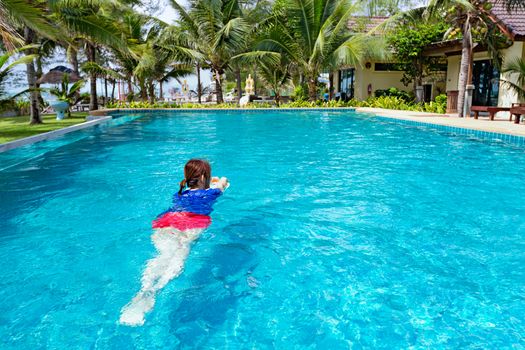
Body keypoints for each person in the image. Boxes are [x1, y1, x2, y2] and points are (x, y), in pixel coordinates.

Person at [120, 159, 229, 326]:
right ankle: (156, 291)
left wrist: (206, 179)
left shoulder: (179, 194)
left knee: (162, 256)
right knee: (179, 258)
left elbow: (201, 185)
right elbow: (223, 181)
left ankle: (144, 289)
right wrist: (214, 181)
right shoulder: (211, 193)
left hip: (166, 223)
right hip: (191, 225)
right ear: (202, 177)